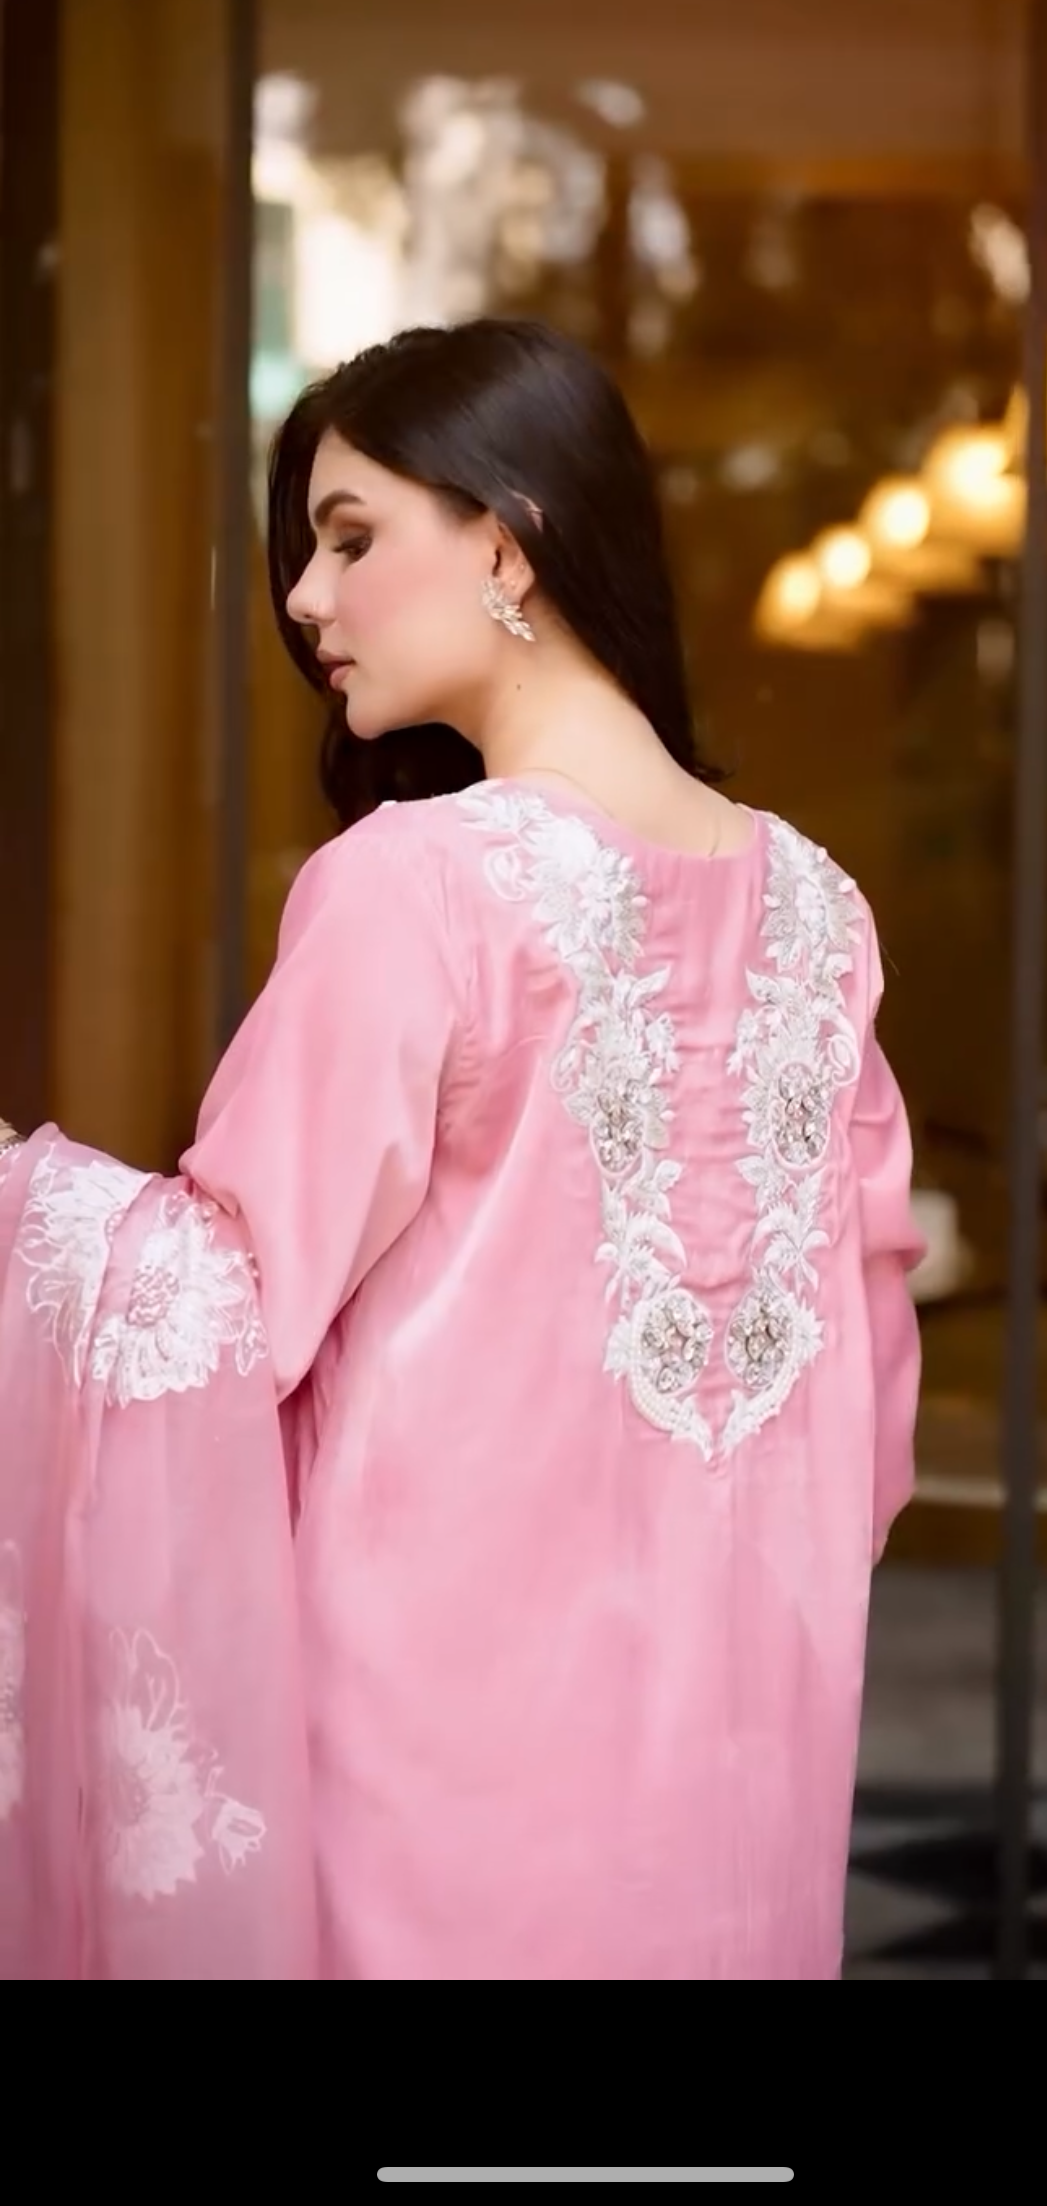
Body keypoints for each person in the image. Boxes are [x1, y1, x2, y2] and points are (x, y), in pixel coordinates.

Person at [0, 317, 922, 1981]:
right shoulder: (816, 913)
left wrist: (19, 1207)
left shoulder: (414, 887)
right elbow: (871, 1423)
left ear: (504, 542)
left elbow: (216, 1310)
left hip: (429, 1775)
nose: (305, 597)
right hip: (740, 1785)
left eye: (351, 537)